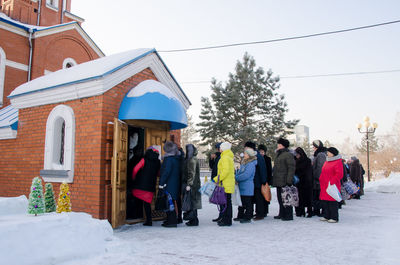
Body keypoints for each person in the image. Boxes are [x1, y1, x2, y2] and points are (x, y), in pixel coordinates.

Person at [131, 147, 161, 226]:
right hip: (151, 185)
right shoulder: (158, 162)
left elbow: (135, 169)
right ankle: (149, 220)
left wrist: (134, 178)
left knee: (135, 198)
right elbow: (159, 173)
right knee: (147, 203)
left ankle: (134, 215)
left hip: (140, 184)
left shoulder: (144, 159)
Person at [273, 138, 296, 221]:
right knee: (280, 198)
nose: (277, 145)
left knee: (286, 198)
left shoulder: (288, 154)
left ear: (282, 145)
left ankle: (288, 215)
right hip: (278, 179)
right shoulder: (279, 154)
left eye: (279, 144)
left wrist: (289, 180)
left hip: (284, 180)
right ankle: (282, 213)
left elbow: (291, 168)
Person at [159, 141, 181, 228]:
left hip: (168, 184)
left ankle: (171, 221)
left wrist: (161, 183)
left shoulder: (168, 159)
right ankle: (171, 220)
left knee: (169, 202)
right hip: (174, 183)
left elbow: (166, 172)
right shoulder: (176, 158)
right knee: (171, 201)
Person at [213, 142, 235, 226]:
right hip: (227, 183)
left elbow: (225, 171)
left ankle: (227, 220)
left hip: (225, 183)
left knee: (226, 203)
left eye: (221, 147)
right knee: (227, 202)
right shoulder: (227, 157)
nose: (219, 149)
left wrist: (216, 179)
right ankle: (226, 219)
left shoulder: (225, 157)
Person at [319, 147, 343, 223]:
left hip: (332, 184)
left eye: (329, 152)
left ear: (333, 153)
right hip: (324, 184)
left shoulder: (337, 162)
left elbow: (339, 174)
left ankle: (334, 217)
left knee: (332, 201)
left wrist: (332, 181)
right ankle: (327, 215)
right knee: (326, 201)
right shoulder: (327, 161)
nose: (327, 153)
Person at [245, 141, 268, 220]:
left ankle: (260, 214)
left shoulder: (258, 156)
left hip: (258, 180)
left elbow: (262, 169)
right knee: (254, 198)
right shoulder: (252, 155)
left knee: (259, 198)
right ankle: (255, 212)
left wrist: (263, 180)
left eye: (246, 147)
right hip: (253, 180)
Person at [234, 148, 257, 223]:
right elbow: (241, 172)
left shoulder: (250, 164)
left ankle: (248, 217)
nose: (244, 155)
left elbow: (246, 175)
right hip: (242, 185)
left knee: (247, 202)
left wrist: (237, 178)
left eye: (245, 154)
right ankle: (240, 215)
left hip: (247, 186)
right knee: (242, 201)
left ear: (249, 155)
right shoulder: (244, 163)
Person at [182, 144, 202, 226]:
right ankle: (194, 220)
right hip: (195, 184)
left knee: (192, 202)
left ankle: (194, 220)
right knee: (193, 202)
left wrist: (189, 184)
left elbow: (191, 173)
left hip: (193, 185)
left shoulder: (192, 160)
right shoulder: (193, 158)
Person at [294, 147, 313, 218]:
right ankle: (300, 211)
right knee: (300, 198)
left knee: (307, 198)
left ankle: (309, 211)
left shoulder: (306, 161)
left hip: (306, 182)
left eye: (298, 154)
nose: (297, 156)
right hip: (299, 182)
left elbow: (308, 172)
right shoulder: (295, 160)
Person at [311, 140, 327, 216]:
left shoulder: (320, 155)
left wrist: (316, 177)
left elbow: (320, 167)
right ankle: (317, 209)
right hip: (319, 179)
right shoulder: (321, 154)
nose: (313, 148)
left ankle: (320, 210)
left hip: (319, 180)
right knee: (317, 195)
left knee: (319, 195)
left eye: (314, 147)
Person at [209, 143, 223, 222]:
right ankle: (221, 215)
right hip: (215, 179)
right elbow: (212, 167)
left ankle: (222, 215)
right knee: (219, 199)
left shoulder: (222, 157)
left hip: (219, 180)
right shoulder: (217, 156)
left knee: (222, 199)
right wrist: (211, 159)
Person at [258, 144, 272, 216]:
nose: (261, 153)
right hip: (259, 180)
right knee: (260, 196)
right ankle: (261, 210)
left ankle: (265, 211)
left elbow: (269, 170)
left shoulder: (267, 159)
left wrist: (268, 180)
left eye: (263, 152)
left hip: (265, 179)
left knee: (265, 195)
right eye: (260, 151)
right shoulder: (257, 158)